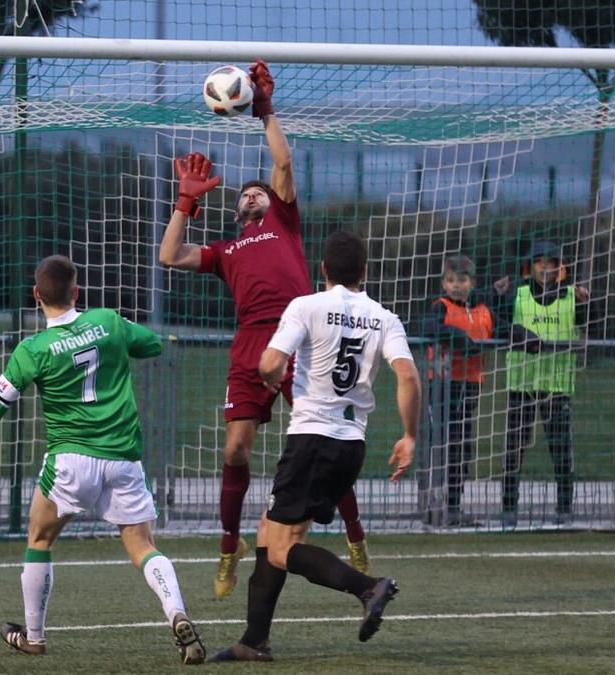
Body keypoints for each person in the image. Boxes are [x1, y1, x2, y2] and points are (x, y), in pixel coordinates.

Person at [158, 58, 370, 599]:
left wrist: (264, 108)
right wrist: (186, 201)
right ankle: (229, 546)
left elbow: (282, 161)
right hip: (252, 341)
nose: (253, 194)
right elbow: (168, 255)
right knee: (234, 451)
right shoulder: (226, 250)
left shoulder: (283, 220)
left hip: (302, 333)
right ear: (233, 208)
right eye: (244, 193)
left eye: (259, 191)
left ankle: (355, 535)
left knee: (324, 435)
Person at [0, 255, 205, 664]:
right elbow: (151, 344)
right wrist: (113, 333)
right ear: (77, 291)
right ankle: (176, 612)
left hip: (71, 460)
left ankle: (35, 638)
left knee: (39, 540)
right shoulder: (107, 322)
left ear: (36, 295)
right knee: (143, 545)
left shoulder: (33, 349)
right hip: (123, 457)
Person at [213, 230, 421, 662]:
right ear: (364, 271)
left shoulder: (305, 306)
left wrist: (271, 378)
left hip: (311, 440)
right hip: (352, 445)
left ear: (322, 270)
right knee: (270, 535)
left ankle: (368, 587)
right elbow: (408, 377)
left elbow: (270, 362)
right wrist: (409, 435)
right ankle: (254, 641)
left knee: (282, 547)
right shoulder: (384, 317)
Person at [497, 241, 591, 528]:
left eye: (552, 263)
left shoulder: (573, 298)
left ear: (561, 268)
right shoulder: (517, 295)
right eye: (540, 262)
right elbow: (498, 323)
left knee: (561, 451)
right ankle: (509, 508)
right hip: (521, 385)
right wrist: (496, 295)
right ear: (530, 266)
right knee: (513, 452)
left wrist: (588, 306)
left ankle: (565, 508)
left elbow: (592, 327)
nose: (546, 268)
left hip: (557, 386)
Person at [421, 255, 500, 526]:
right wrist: (459, 340)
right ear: (444, 284)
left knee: (463, 447)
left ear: (472, 282)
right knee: (441, 444)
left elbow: (502, 329)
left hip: (471, 386)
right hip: (442, 385)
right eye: (450, 280)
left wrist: (522, 334)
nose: (456, 285)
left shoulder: (484, 311)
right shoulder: (440, 307)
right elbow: (430, 327)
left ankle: (454, 506)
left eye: (462, 280)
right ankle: (432, 504)